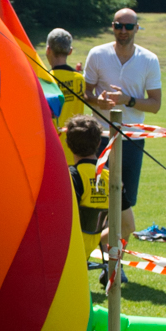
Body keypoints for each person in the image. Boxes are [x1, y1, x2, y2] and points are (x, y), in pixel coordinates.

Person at [83, 9, 161, 238]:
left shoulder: (149, 59)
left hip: (132, 139)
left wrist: (128, 100)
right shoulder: (97, 54)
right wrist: (97, 101)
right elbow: (85, 93)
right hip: (100, 138)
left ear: (137, 28)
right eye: (118, 26)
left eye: (128, 26)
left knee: (124, 205)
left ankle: (112, 257)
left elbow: (155, 104)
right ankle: (95, 249)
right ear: (113, 27)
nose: (123, 31)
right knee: (97, 200)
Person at [66, 114, 112, 290]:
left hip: (70, 251)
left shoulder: (72, 176)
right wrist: (95, 234)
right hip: (91, 246)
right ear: (99, 143)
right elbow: (127, 225)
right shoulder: (111, 177)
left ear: (68, 144)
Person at [44, 28, 86, 137]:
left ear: (48, 49)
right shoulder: (79, 79)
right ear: (70, 51)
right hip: (76, 141)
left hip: (54, 143)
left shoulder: (46, 80)